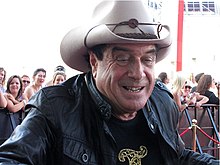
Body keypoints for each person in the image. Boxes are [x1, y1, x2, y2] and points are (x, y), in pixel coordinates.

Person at [0, 1, 218, 164]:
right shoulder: (54, 108)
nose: (138, 72)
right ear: (95, 62)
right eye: (123, 58)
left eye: (147, 59)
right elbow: (13, 157)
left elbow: (176, 156)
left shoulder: (162, 101)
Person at [0, 75, 27, 145]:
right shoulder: (6, 95)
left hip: (17, 135)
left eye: (17, 83)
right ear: (8, 85)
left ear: (20, 86)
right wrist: (23, 102)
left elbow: (26, 107)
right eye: (12, 83)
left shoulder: (22, 96)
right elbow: (12, 109)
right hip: (5, 134)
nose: (14, 85)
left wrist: (15, 101)